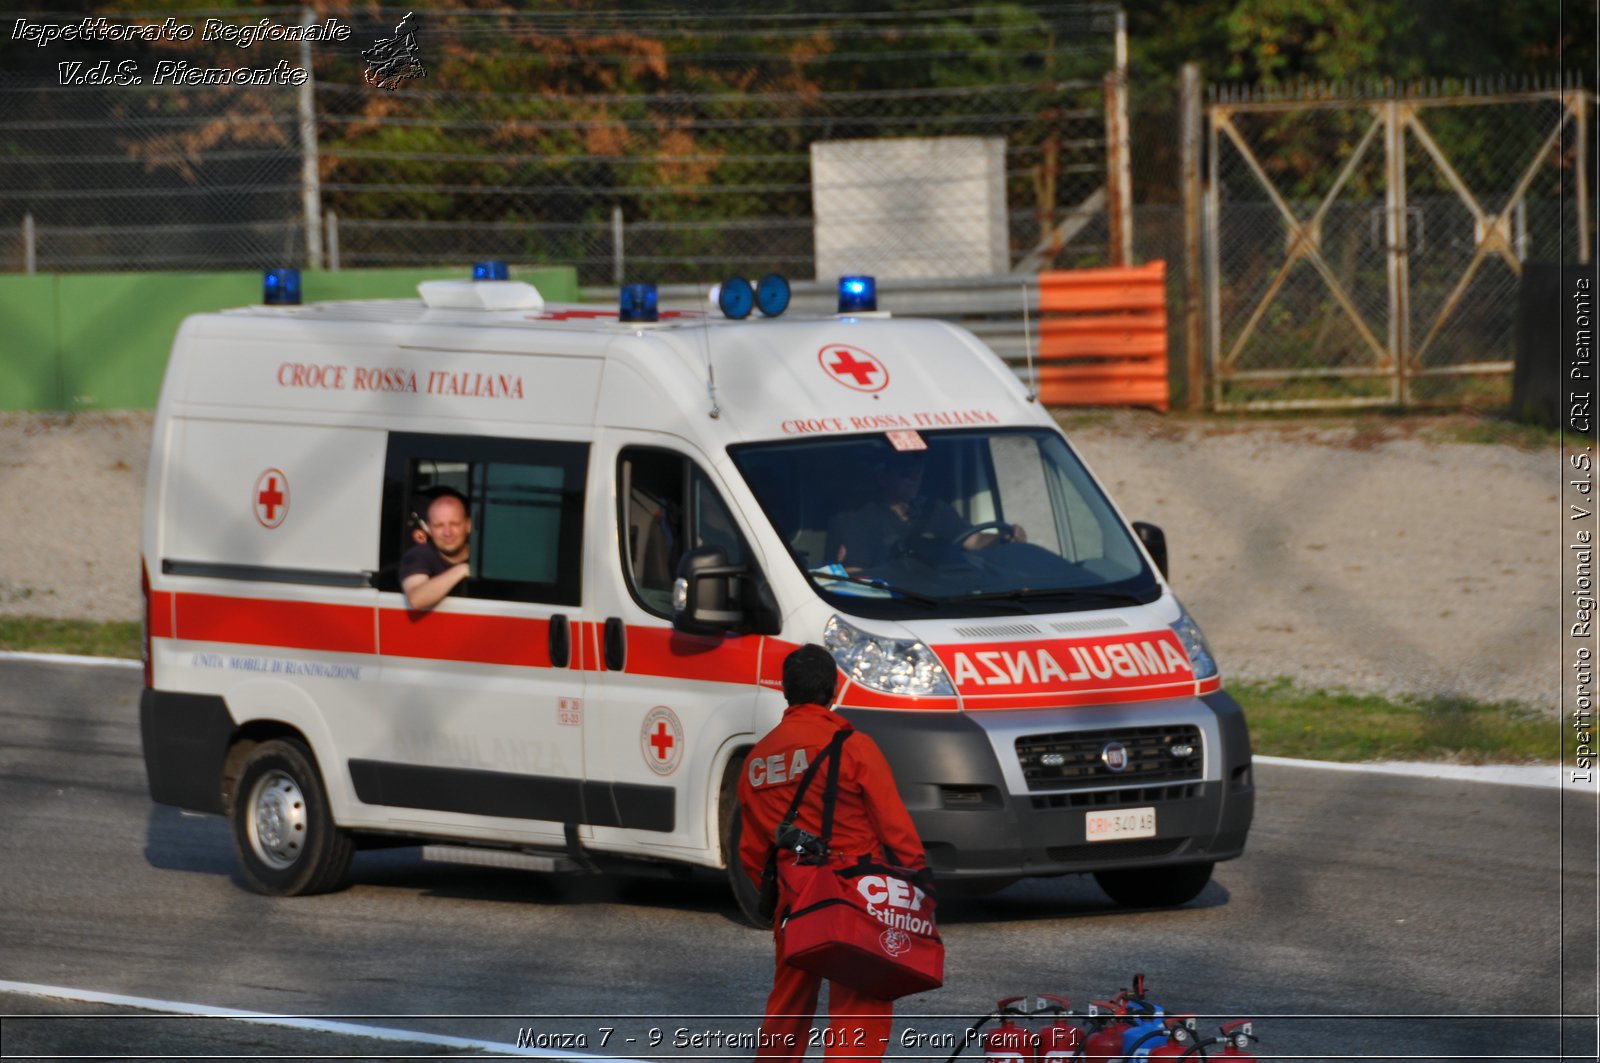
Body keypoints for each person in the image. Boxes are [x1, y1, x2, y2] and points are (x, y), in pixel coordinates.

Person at [738, 644, 927, 1062]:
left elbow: (752, 851)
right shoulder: (855, 747)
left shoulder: (755, 761)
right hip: (856, 891)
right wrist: (918, 877)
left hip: (796, 894)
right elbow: (893, 824)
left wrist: (783, 894)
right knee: (860, 1004)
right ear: (834, 689)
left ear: (785, 692)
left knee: (788, 1005)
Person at [824, 451, 1023, 569]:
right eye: (904, 473)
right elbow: (854, 576)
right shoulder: (859, 520)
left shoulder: (933, 509)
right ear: (882, 478)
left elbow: (975, 540)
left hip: (942, 595)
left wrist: (1004, 538)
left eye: (918, 470)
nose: (914, 478)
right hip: (892, 605)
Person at [400, 489, 472, 611]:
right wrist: (463, 569)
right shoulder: (418, 555)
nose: (447, 532)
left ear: (468, 525)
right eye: (439, 525)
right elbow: (417, 599)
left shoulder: (486, 555)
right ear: (429, 529)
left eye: (454, 524)